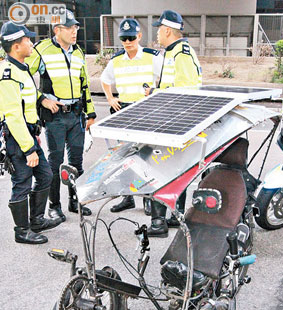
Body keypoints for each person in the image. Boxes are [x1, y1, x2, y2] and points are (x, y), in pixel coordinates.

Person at [25, 10, 96, 223]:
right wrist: (41, 100)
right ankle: (54, 206)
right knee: (55, 163)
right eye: (70, 27)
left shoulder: (78, 52)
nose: (75, 31)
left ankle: (76, 201)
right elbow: (24, 79)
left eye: (76, 27)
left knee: (77, 162)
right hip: (54, 118)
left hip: (76, 116)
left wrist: (90, 112)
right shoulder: (41, 50)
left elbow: (85, 85)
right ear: (57, 30)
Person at [0, 22, 61, 244]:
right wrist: (28, 149)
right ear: (16, 46)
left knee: (45, 175)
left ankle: (36, 220)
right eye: (27, 40)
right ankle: (22, 231)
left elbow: (30, 94)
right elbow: (14, 116)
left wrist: (42, 98)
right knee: (22, 182)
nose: (31, 42)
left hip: (29, 134)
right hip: (18, 139)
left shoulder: (21, 69)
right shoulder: (8, 74)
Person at [145, 10, 202, 238]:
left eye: (159, 29)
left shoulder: (181, 54)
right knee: (175, 170)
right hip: (172, 121)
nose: (157, 34)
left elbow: (187, 92)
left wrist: (154, 92)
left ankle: (159, 223)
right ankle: (173, 217)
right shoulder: (173, 52)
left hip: (175, 123)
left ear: (167, 30)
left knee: (160, 168)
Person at [101, 18, 163, 213]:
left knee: (146, 157)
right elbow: (104, 80)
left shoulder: (153, 57)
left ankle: (147, 198)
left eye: (130, 38)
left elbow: (167, 79)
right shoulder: (116, 60)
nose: (127, 42)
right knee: (125, 157)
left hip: (146, 111)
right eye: (123, 39)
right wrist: (110, 98)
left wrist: (155, 90)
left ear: (139, 36)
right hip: (124, 113)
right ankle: (127, 198)